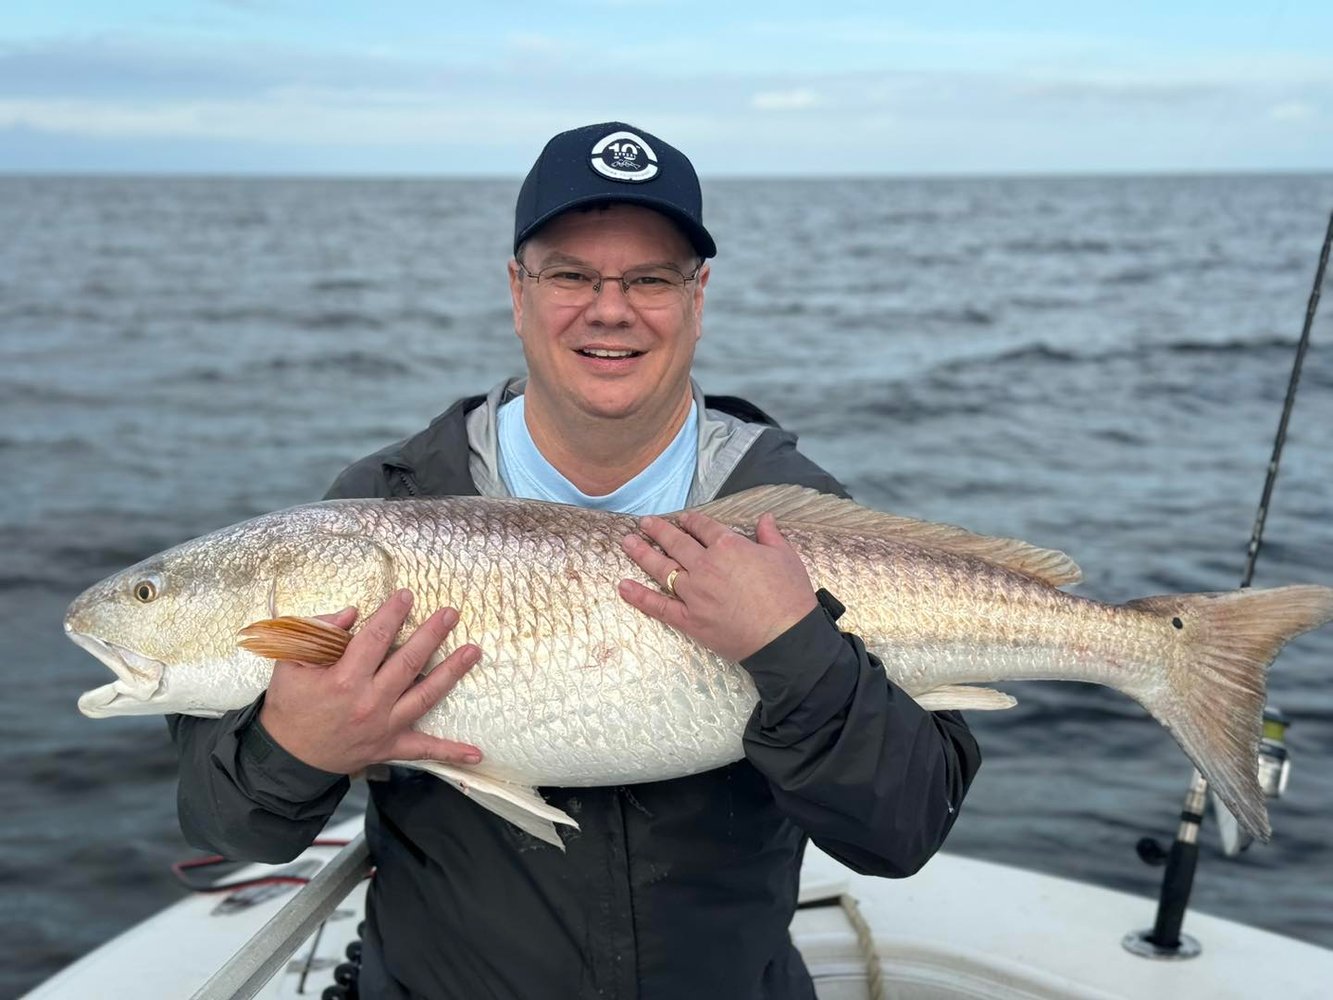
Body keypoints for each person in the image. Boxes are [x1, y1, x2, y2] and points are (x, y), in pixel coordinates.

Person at [169, 121, 981, 1000]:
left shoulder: (791, 513)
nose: (610, 307)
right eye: (569, 275)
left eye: (649, 278)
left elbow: (900, 830)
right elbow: (234, 827)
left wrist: (794, 649)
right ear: (517, 292)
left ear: (697, 298)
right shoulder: (384, 509)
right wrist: (295, 747)